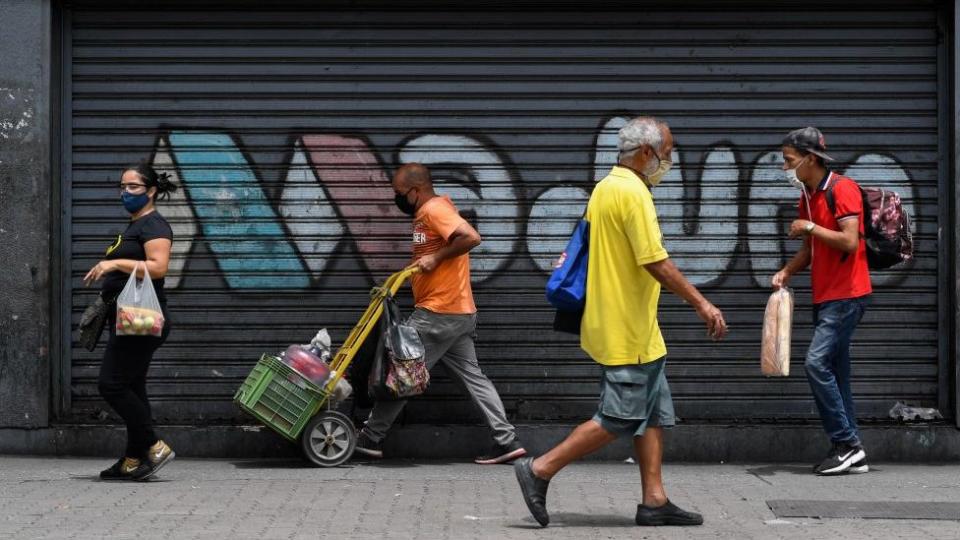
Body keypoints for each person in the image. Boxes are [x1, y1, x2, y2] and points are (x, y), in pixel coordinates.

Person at [514, 116, 728, 528]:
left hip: (637, 327)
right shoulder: (632, 194)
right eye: (667, 151)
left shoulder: (607, 186)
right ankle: (539, 469)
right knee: (621, 416)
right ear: (646, 152)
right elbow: (656, 262)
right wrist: (702, 304)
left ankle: (654, 500)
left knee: (652, 413)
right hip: (623, 328)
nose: (669, 159)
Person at [353, 163, 526, 465]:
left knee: (401, 370)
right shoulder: (429, 212)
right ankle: (507, 440)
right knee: (474, 378)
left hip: (439, 312)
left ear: (415, 191)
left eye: (399, 194)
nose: (397, 200)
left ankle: (370, 437)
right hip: (457, 312)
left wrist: (436, 256)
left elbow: (471, 237)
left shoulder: (434, 210)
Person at [772, 127, 871, 476]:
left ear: (810, 158)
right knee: (837, 372)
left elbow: (848, 242)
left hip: (848, 295)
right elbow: (810, 251)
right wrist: (786, 271)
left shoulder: (842, 189)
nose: (785, 168)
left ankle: (846, 444)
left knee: (815, 364)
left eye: (789, 160)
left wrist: (810, 228)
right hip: (826, 296)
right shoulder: (809, 194)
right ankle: (851, 448)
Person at [84, 162, 179, 481]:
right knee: (133, 388)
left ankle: (153, 445)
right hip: (126, 318)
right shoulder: (136, 225)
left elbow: (159, 267)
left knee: (111, 384)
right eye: (123, 187)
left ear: (151, 191)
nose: (126, 192)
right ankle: (133, 460)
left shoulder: (154, 226)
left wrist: (115, 264)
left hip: (141, 320)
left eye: (133, 187)